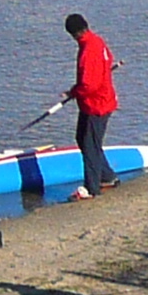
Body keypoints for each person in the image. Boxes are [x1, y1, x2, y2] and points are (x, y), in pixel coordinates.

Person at [60, 13, 120, 198]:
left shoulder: (88, 49)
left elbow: (89, 85)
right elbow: (108, 60)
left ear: (73, 33)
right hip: (94, 102)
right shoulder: (97, 41)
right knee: (82, 138)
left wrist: (75, 92)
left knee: (90, 145)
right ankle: (107, 176)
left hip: (97, 105)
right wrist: (77, 90)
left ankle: (91, 188)